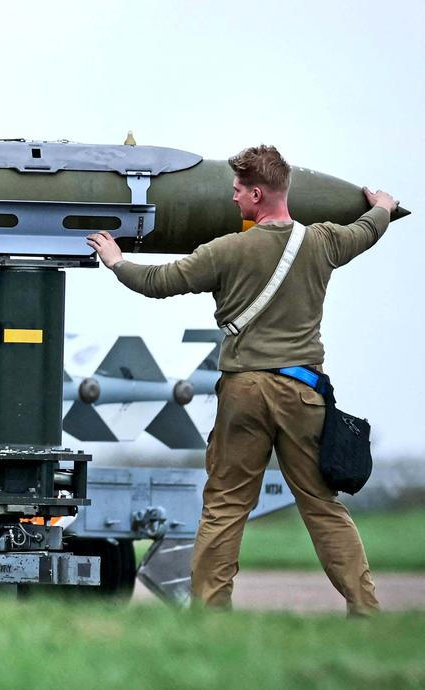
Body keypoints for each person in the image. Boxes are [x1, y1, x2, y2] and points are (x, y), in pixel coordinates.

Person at [86, 145, 398, 616]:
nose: (232, 197)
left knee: (226, 506)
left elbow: (157, 283)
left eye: (237, 190)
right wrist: (382, 207)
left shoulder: (226, 250)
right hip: (303, 392)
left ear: (257, 194)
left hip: (244, 392)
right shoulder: (323, 241)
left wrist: (116, 260)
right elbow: (367, 231)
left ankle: (211, 616)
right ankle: (365, 610)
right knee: (321, 505)